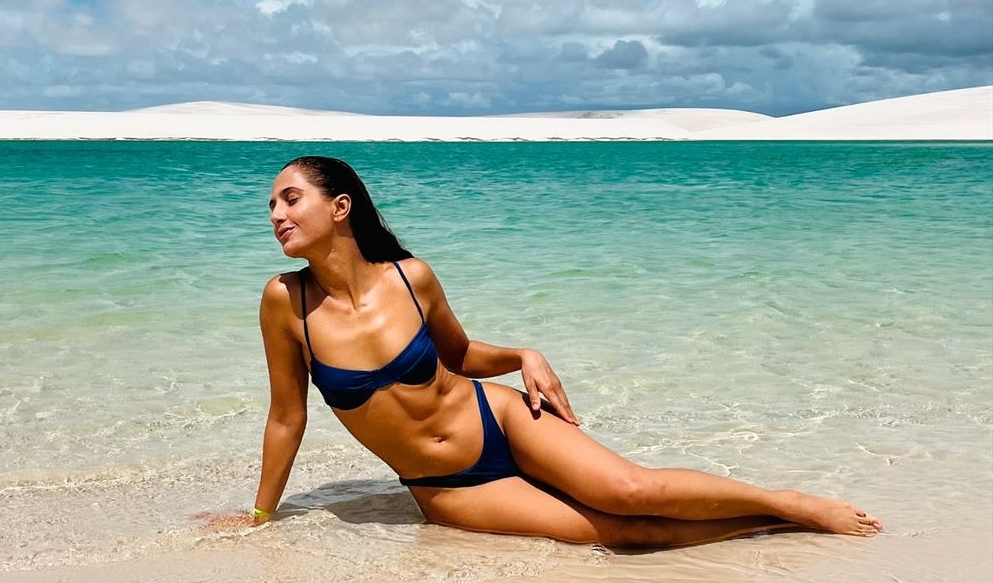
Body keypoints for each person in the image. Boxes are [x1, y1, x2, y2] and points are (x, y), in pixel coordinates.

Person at [197, 156, 881, 547]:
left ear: (340, 207)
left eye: (291, 198)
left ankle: (789, 502)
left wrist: (525, 354)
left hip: (497, 418)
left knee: (631, 488)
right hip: (449, 487)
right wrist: (262, 514)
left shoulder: (412, 276)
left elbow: (459, 355)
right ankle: (771, 528)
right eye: (270, 206)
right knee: (620, 533)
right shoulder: (285, 301)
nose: (277, 215)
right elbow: (287, 417)